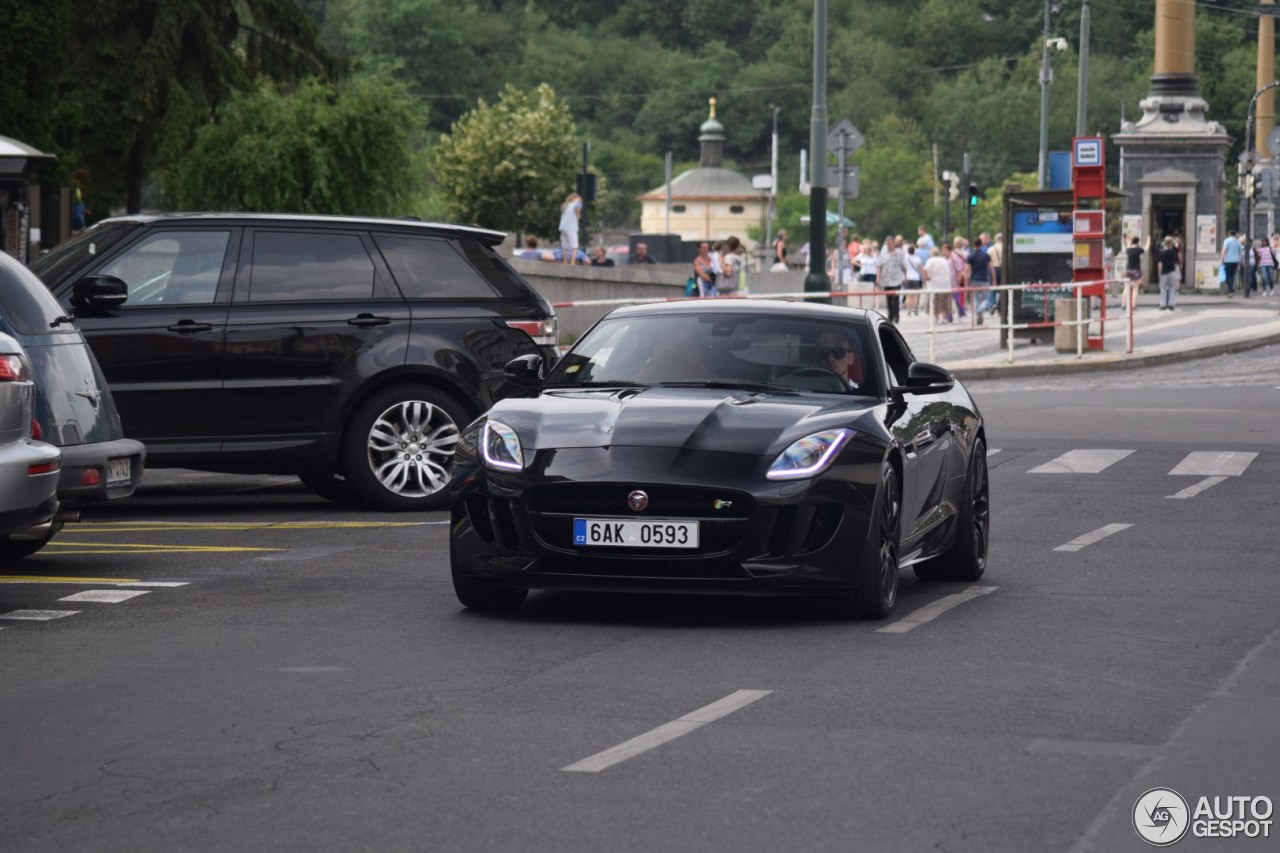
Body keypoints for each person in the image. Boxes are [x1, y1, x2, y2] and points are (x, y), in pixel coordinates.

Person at [877, 234, 906, 324]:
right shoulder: (883, 253)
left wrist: (905, 276)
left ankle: (896, 315)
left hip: (896, 279)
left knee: (895, 298)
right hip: (886, 279)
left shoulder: (899, 253)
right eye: (887, 244)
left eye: (890, 244)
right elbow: (879, 266)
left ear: (893, 243)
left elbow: (903, 266)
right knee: (889, 299)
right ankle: (890, 315)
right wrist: (878, 278)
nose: (888, 246)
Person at [923, 246, 953, 323]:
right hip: (946, 284)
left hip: (935, 284)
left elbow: (925, 269)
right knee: (944, 301)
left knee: (935, 302)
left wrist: (927, 278)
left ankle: (936, 318)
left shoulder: (931, 260)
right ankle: (944, 317)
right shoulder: (944, 260)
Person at [968, 233, 993, 323]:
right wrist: (993, 279)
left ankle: (978, 311)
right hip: (984, 278)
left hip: (974, 279)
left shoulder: (970, 256)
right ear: (981, 244)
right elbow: (991, 267)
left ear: (973, 245)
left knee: (975, 298)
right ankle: (981, 309)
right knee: (986, 298)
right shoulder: (986, 255)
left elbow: (968, 269)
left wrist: (967, 280)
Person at [559, 193, 582, 265]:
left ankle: (565, 262)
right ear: (574, 199)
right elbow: (578, 216)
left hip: (563, 228)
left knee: (564, 247)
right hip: (572, 228)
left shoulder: (564, 206)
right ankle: (572, 262)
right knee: (575, 247)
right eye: (578, 200)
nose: (579, 201)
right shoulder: (576, 205)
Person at [1158, 236, 1179, 310]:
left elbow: (1160, 264)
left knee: (1163, 289)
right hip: (1172, 271)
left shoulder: (1161, 253)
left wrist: (1159, 273)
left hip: (1164, 272)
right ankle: (1171, 304)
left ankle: (1163, 304)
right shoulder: (1173, 251)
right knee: (1172, 288)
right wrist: (1172, 240)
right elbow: (1176, 245)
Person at [904, 241, 924, 315]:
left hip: (908, 277)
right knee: (915, 295)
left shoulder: (905, 258)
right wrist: (924, 279)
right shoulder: (917, 259)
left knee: (908, 295)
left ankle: (909, 309)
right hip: (915, 278)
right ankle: (915, 308)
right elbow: (921, 269)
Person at [1220, 229, 1242, 297]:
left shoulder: (1227, 240)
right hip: (1235, 261)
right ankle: (1231, 290)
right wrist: (1239, 263)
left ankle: (1230, 289)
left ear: (1229, 234)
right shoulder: (1238, 242)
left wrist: (1221, 259)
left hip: (1228, 261)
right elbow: (1240, 253)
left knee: (1227, 277)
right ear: (1235, 235)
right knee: (1232, 276)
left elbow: (1224, 250)